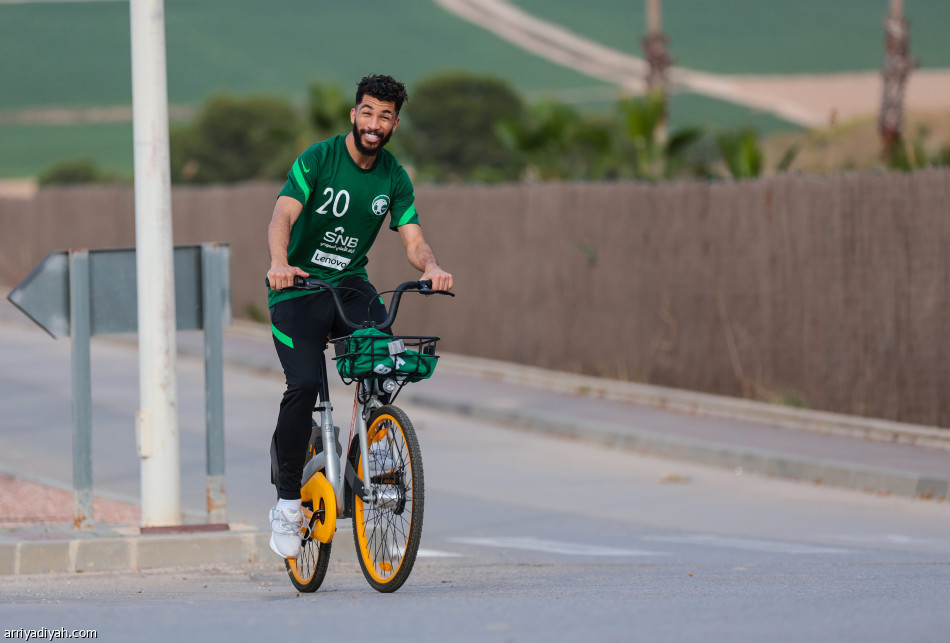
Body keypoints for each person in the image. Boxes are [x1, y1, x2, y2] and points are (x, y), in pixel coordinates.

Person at [265, 74, 453, 559]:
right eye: (367, 112)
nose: (374, 123)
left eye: (385, 116)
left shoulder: (393, 176)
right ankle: (287, 503)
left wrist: (431, 267)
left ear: (394, 123)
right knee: (304, 385)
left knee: (386, 359)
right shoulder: (319, 158)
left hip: (350, 286)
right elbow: (282, 215)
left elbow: (412, 238)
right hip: (299, 288)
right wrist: (280, 264)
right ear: (354, 114)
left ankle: (375, 444)